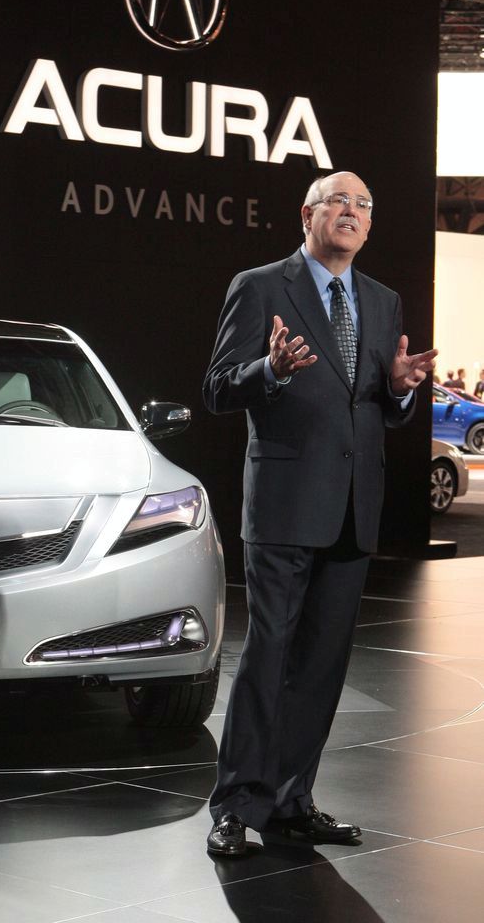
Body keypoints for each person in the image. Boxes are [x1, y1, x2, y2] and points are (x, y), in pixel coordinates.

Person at [202, 171, 437, 857]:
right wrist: (271, 371)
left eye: (364, 204)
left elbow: (374, 403)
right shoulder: (259, 286)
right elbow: (218, 387)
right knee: (268, 656)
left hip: (353, 506)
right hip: (283, 503)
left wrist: (400, 391)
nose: (352, 211)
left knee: (322, 665)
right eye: (339, 200)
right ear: (307, 215)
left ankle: (289, 801)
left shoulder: (383, 301)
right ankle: (235, 805)